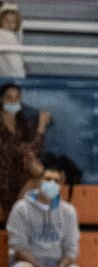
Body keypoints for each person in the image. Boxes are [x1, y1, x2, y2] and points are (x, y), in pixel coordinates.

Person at [7, 167, 85, 267]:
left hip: (58, 266)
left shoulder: (69, 211)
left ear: (62, 185)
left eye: (56, 181)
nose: (52, 184)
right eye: (48, 179)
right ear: (38, 182)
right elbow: (18, 247)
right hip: (29, 264)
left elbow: (72, 250)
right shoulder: (21, 208)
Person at [0, 82, 46, 214]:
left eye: (17, 97)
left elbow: (36, 148)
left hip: (22, 174)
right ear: (1, 99)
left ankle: (18, 219)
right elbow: (9, 148)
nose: (14, 101)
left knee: (41, 178)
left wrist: (41, 127)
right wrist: (41, 128)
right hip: (4, 175)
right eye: (9, 97)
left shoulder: (23, 123)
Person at [0, 4, 22, 79]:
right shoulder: (1, 34)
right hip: (7, 72)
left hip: (15, 71)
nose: (9, 24)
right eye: (6, 21)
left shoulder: (13, 35)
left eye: (13, 21)